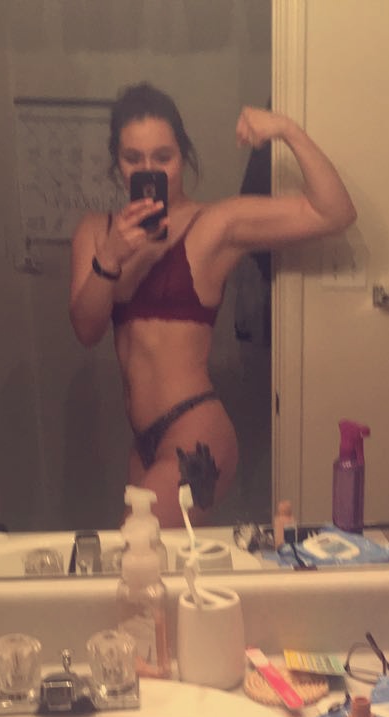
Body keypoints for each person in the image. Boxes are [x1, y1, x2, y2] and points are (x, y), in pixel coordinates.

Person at [69, 83, 356, 527]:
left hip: (196, 430)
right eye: (133, 159)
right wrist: (110, 257)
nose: (150, 170)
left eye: (163, 157)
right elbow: (86, 331)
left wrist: (287, 130)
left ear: (184, 155)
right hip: (143, 443)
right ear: (116, 162)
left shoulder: (215, 225)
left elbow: (334, 212)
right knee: (156, 566)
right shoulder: (96, 231)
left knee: (133, 544)